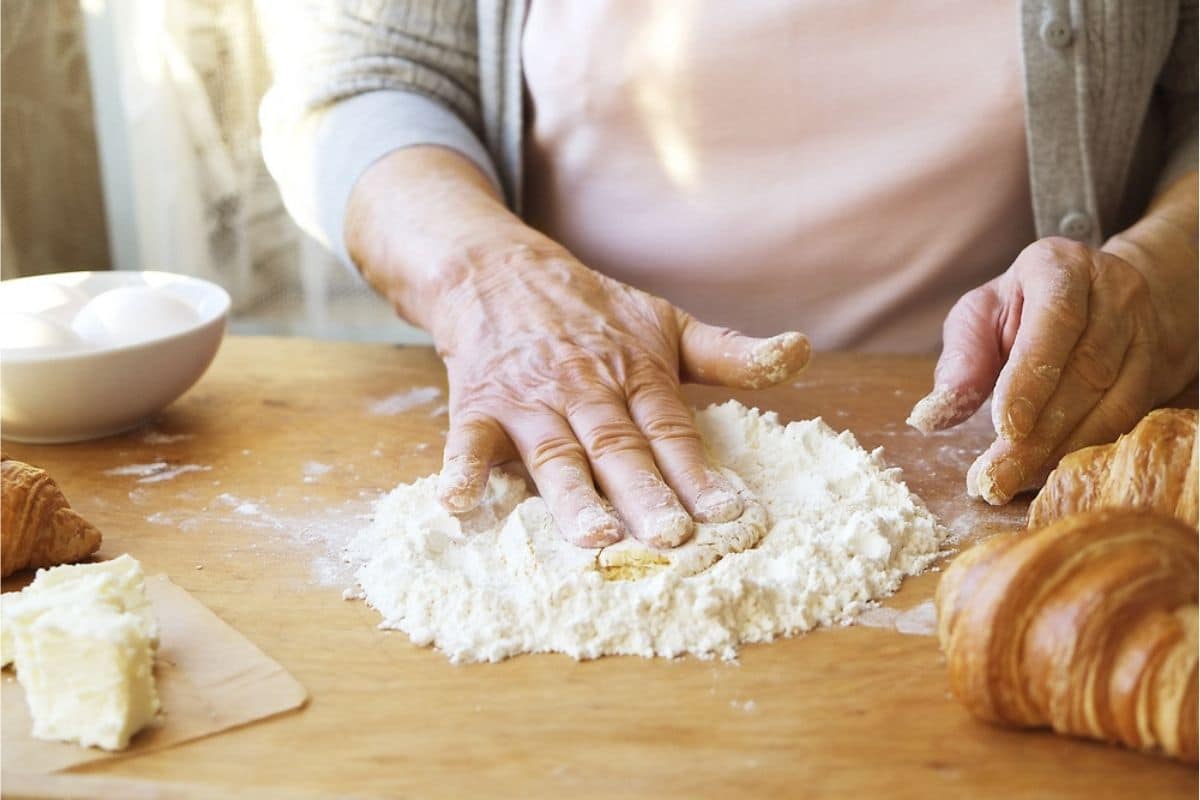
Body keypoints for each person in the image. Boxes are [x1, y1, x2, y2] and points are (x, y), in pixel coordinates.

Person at [257, 1, 1198, 548]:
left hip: (1023, 461)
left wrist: (1160, 275)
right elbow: (366, 81)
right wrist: (491, 281)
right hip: (563, 413)